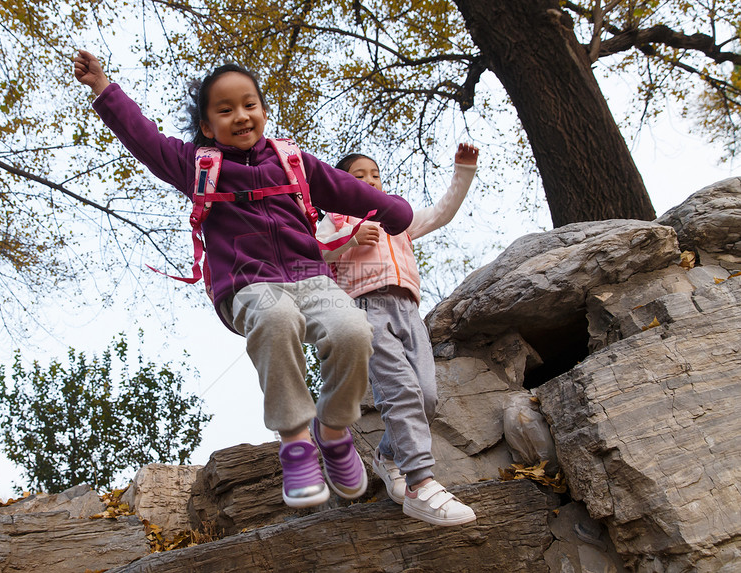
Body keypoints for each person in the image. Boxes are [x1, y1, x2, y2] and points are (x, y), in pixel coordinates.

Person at [72, 50, 414, 509]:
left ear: (264, 112)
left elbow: (345, 187)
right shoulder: (198, 164)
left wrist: (394, 211)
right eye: (225, 109)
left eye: (249, 104)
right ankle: (296, 441)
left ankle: (332, 431)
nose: (240, 115)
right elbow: (145, 139)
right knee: (276, 321)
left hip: (309, 275)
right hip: (248, 283)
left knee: (354, 330)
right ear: (208, 126)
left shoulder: (293, 161)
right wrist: (104, 88)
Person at [316, 145, 479, 526]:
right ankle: (421, 483)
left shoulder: (397, 219)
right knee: (400, 391)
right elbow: (314, 251)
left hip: (409, 310)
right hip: (365, 310)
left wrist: (463, 170)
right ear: (341, 185)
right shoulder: (336, 218)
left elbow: (442, 212)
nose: (370, 180)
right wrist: (352, 238)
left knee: (427, 395)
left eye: (374, 174)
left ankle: (388, 455)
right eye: (359, 176)